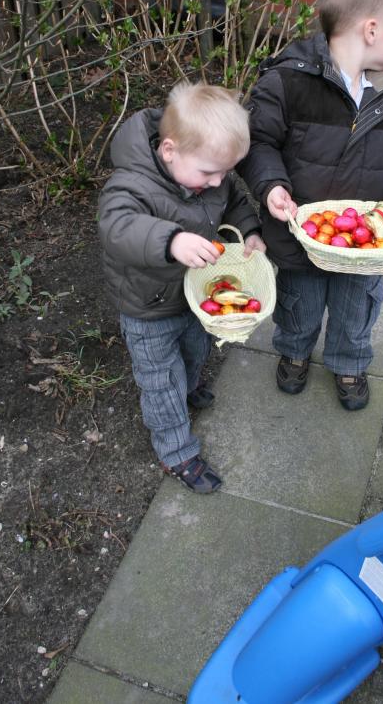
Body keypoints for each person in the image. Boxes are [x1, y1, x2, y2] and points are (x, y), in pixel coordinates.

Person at [237, 0, 383, 411]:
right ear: (371, 30)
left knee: (358, 309)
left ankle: (349, 361)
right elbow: (259, 142)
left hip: (365, 241)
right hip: (301, 231)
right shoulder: (288, 81)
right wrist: (271, 185)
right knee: (299, 303)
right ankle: (294, 353)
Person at [98, 81, 265, 493]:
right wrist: (170, 240)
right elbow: (117, 226)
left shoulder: (209, 174)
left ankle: (189, 387)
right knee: (159, 378)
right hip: (148, 305)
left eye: (225, 171)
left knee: (195, 349)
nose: (217, 181)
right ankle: (177, 451)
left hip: (193, 294)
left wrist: (251, 231)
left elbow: (234, 200)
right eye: (210, 171)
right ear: (170, 150)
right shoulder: (131, 184)